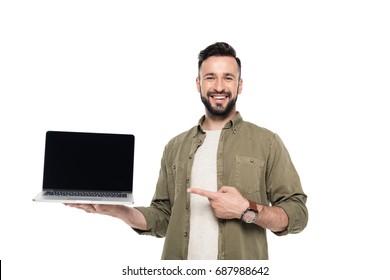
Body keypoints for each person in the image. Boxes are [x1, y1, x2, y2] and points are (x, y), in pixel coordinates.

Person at [66, 42, 308, 260]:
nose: (219, 86)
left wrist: (247, 210)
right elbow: (162, 219)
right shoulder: (175, 146)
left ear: (240, 85)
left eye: (228, 78)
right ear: (198, 84)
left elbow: (297, 213)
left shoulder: (267, 142)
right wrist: (118, 210)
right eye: (210, 77)